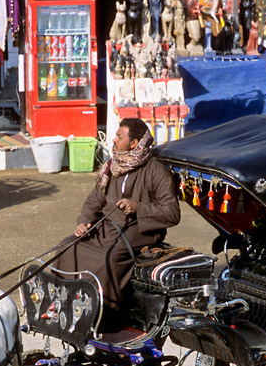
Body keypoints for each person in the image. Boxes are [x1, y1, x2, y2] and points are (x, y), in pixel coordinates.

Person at [52, 118, 180, 331]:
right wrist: (83, 222)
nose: (113, 139)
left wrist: (138, 207)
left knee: (107, 258)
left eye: (119, 136)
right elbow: (95, 201)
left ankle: (102, 319)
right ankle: (65, 306)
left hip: (140, 231)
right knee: (66, 247)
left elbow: (172, 213)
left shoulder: (156, 170)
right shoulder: (112, 167)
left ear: (134, 143)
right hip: (107, 227)